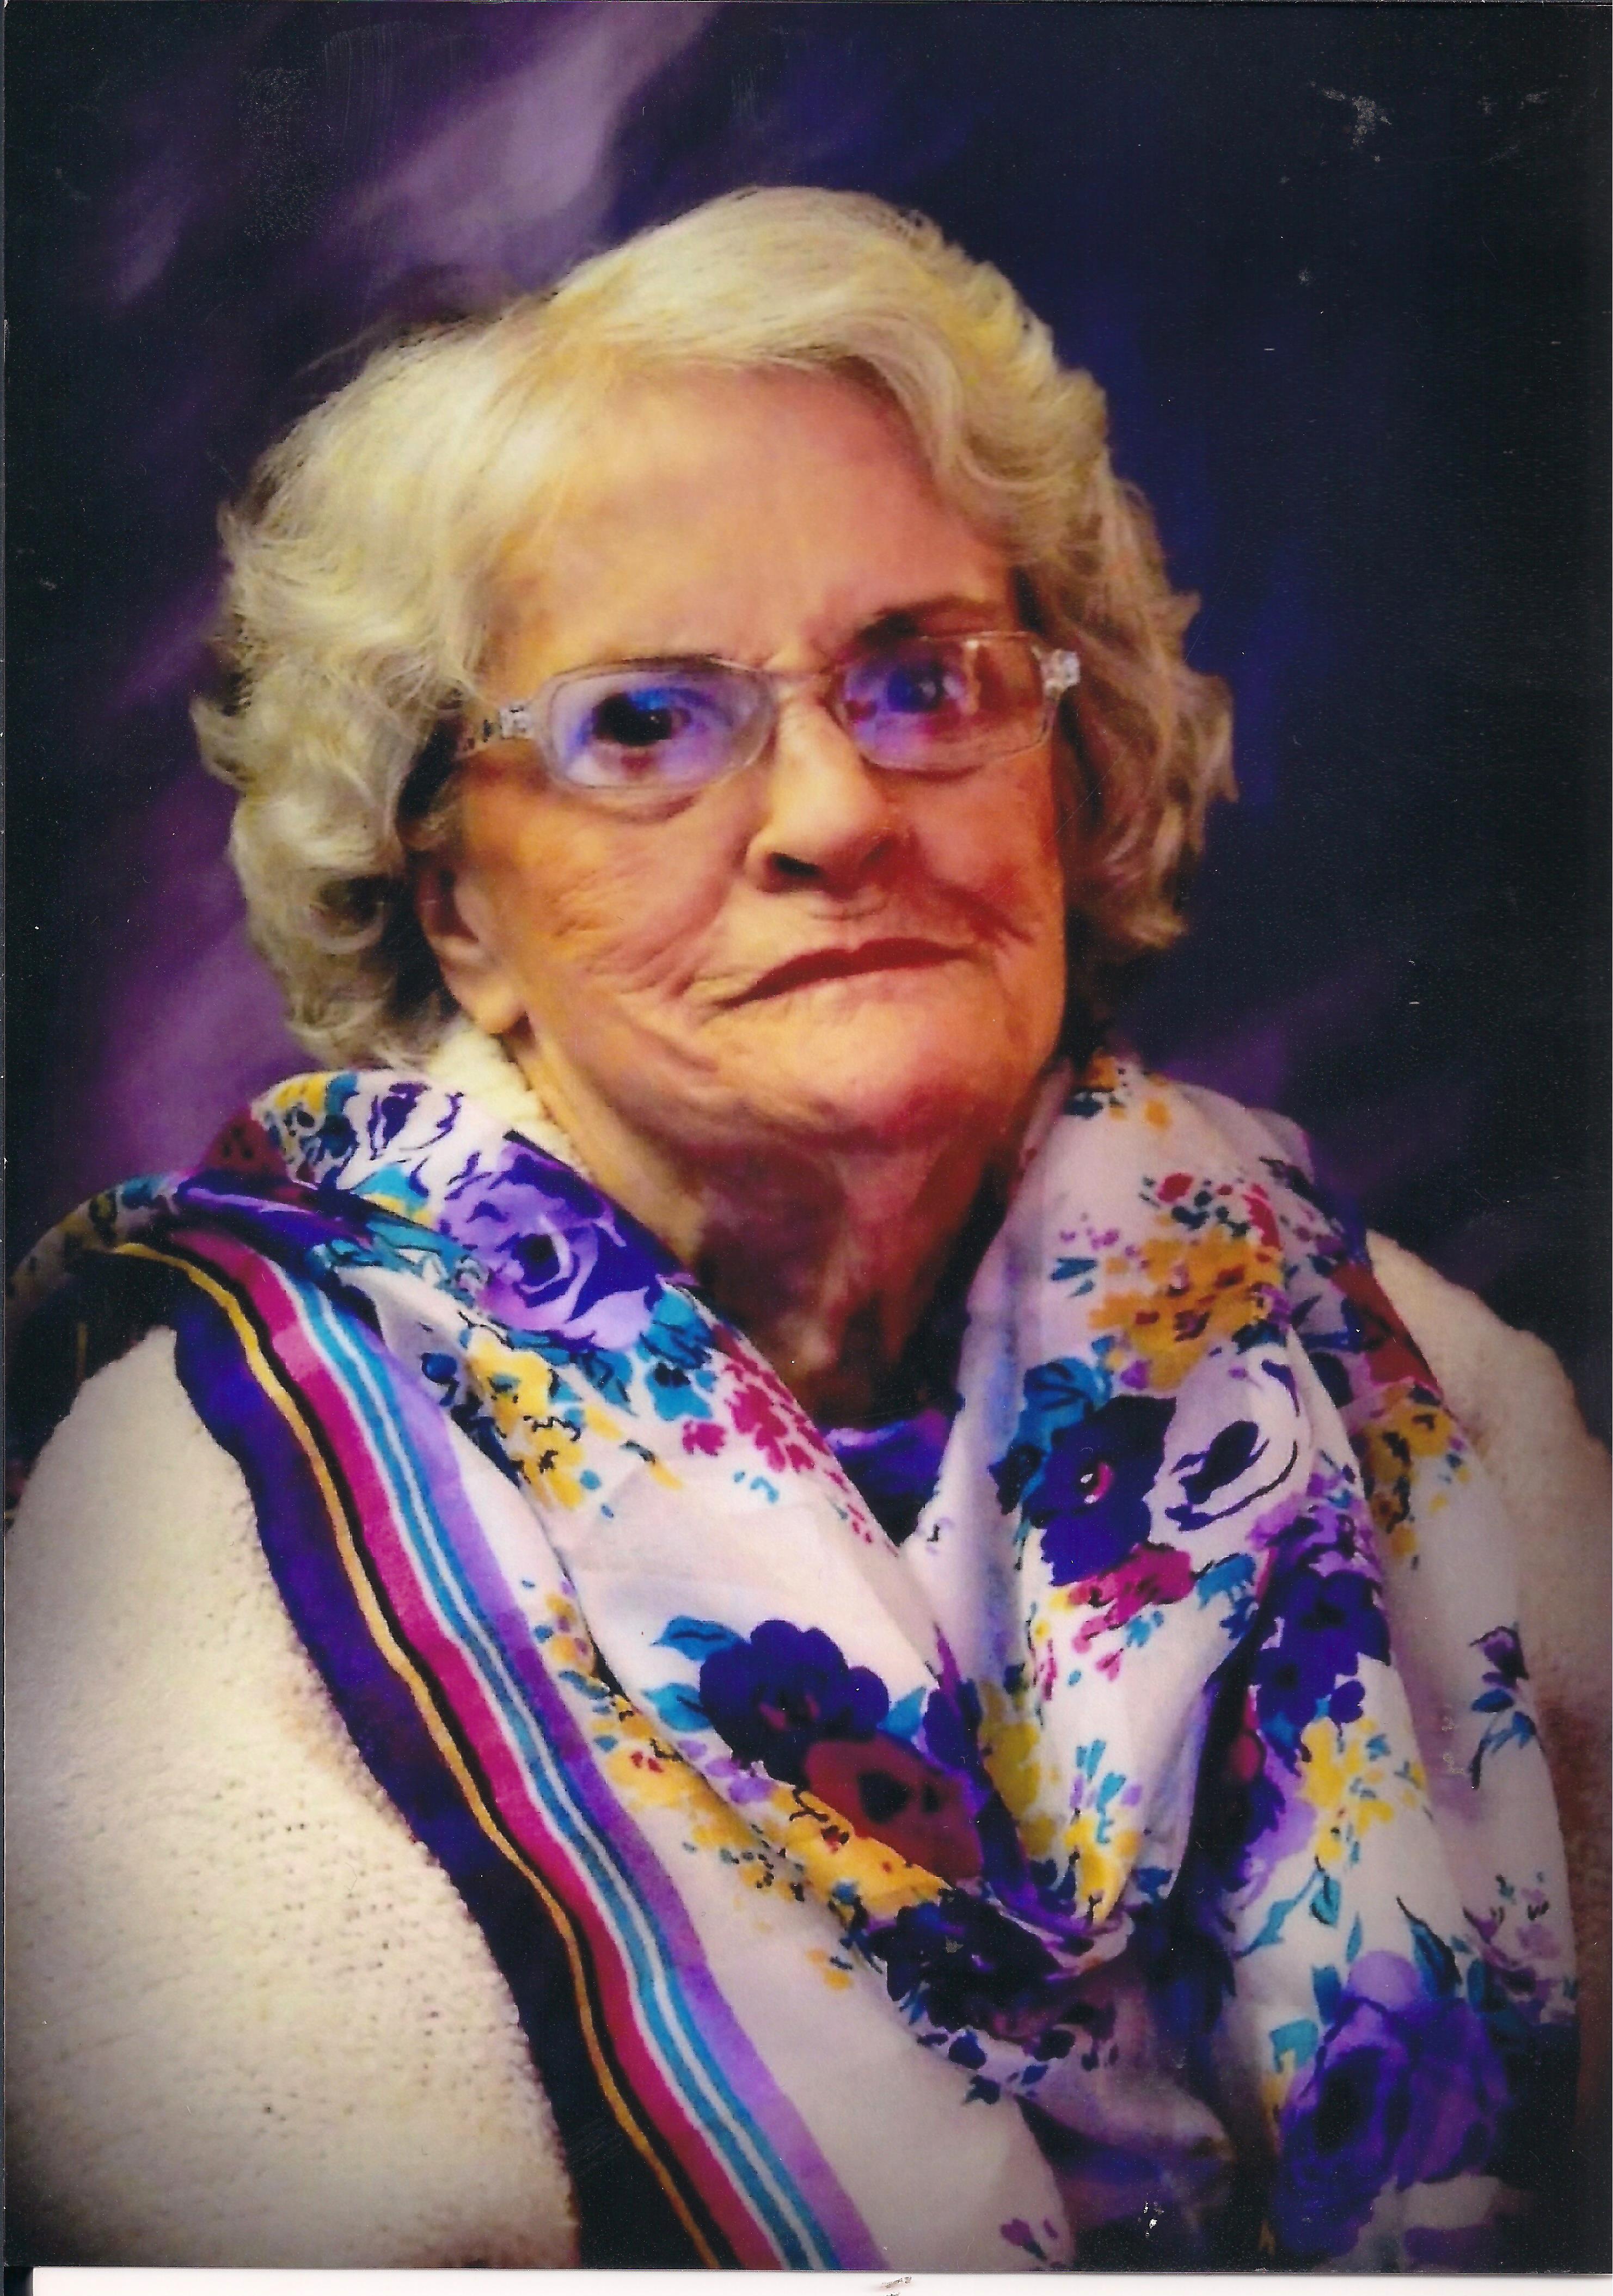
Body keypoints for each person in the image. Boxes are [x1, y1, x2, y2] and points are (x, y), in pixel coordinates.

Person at [7, 187, 1606, 2272]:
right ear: (456, 905)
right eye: (643, 725)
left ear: (1070, 766)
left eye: (923, 680)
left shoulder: (1421, 1388)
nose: (836, 814)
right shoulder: (212, 1524)